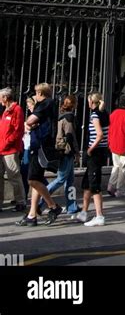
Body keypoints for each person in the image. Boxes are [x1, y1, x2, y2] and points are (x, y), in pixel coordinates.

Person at [16, 83, 63, 227]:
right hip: (39, 145)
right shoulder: (48, 104)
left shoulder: (45, 103)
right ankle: (32, 215)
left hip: (40, 146)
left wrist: (30, 123)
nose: (34, 96)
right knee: (37, 179)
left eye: (35, 93)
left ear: (40, 93)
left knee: (32, 180)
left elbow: (30, 121)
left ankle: (53, 206)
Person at [38, 94, 80, 216]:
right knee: (61, 179)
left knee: (70, 181)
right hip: (66, 151)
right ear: (73, 105)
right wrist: (77, 152)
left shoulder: (61, 116)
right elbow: (71, 137)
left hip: (63, 150)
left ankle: (71, 206)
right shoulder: (70, 118)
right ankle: (41, 201)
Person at [75, 91, 110, 227]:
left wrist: (90, 149)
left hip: (95, 152)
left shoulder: (95, 115)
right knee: (88, 181)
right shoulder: (103, 113)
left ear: (92, 102)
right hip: (100, 152)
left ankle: (99, 215)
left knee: (94, 183)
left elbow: (100, 134)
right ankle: (84, 211)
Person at [0, 87, 26, 212]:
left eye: (1, 98)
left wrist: (6, 143)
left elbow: (17, 131)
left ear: (5, 97)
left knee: (14, 176)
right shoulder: (6, 111)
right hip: (2, 148)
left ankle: (20, 202)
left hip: (10, 149)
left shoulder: (16, 109)